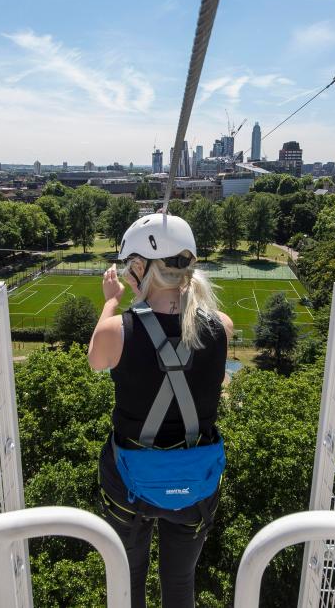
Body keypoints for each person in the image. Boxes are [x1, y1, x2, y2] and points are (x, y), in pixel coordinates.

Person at [88, 212, 232, 608]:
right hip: (195, 485)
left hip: (129, 483)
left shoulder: (114, 332)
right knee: (181, 583)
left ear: (139, 267)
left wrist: (111, 303)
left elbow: (96, 360)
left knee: (128, 582)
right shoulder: (221, 325)